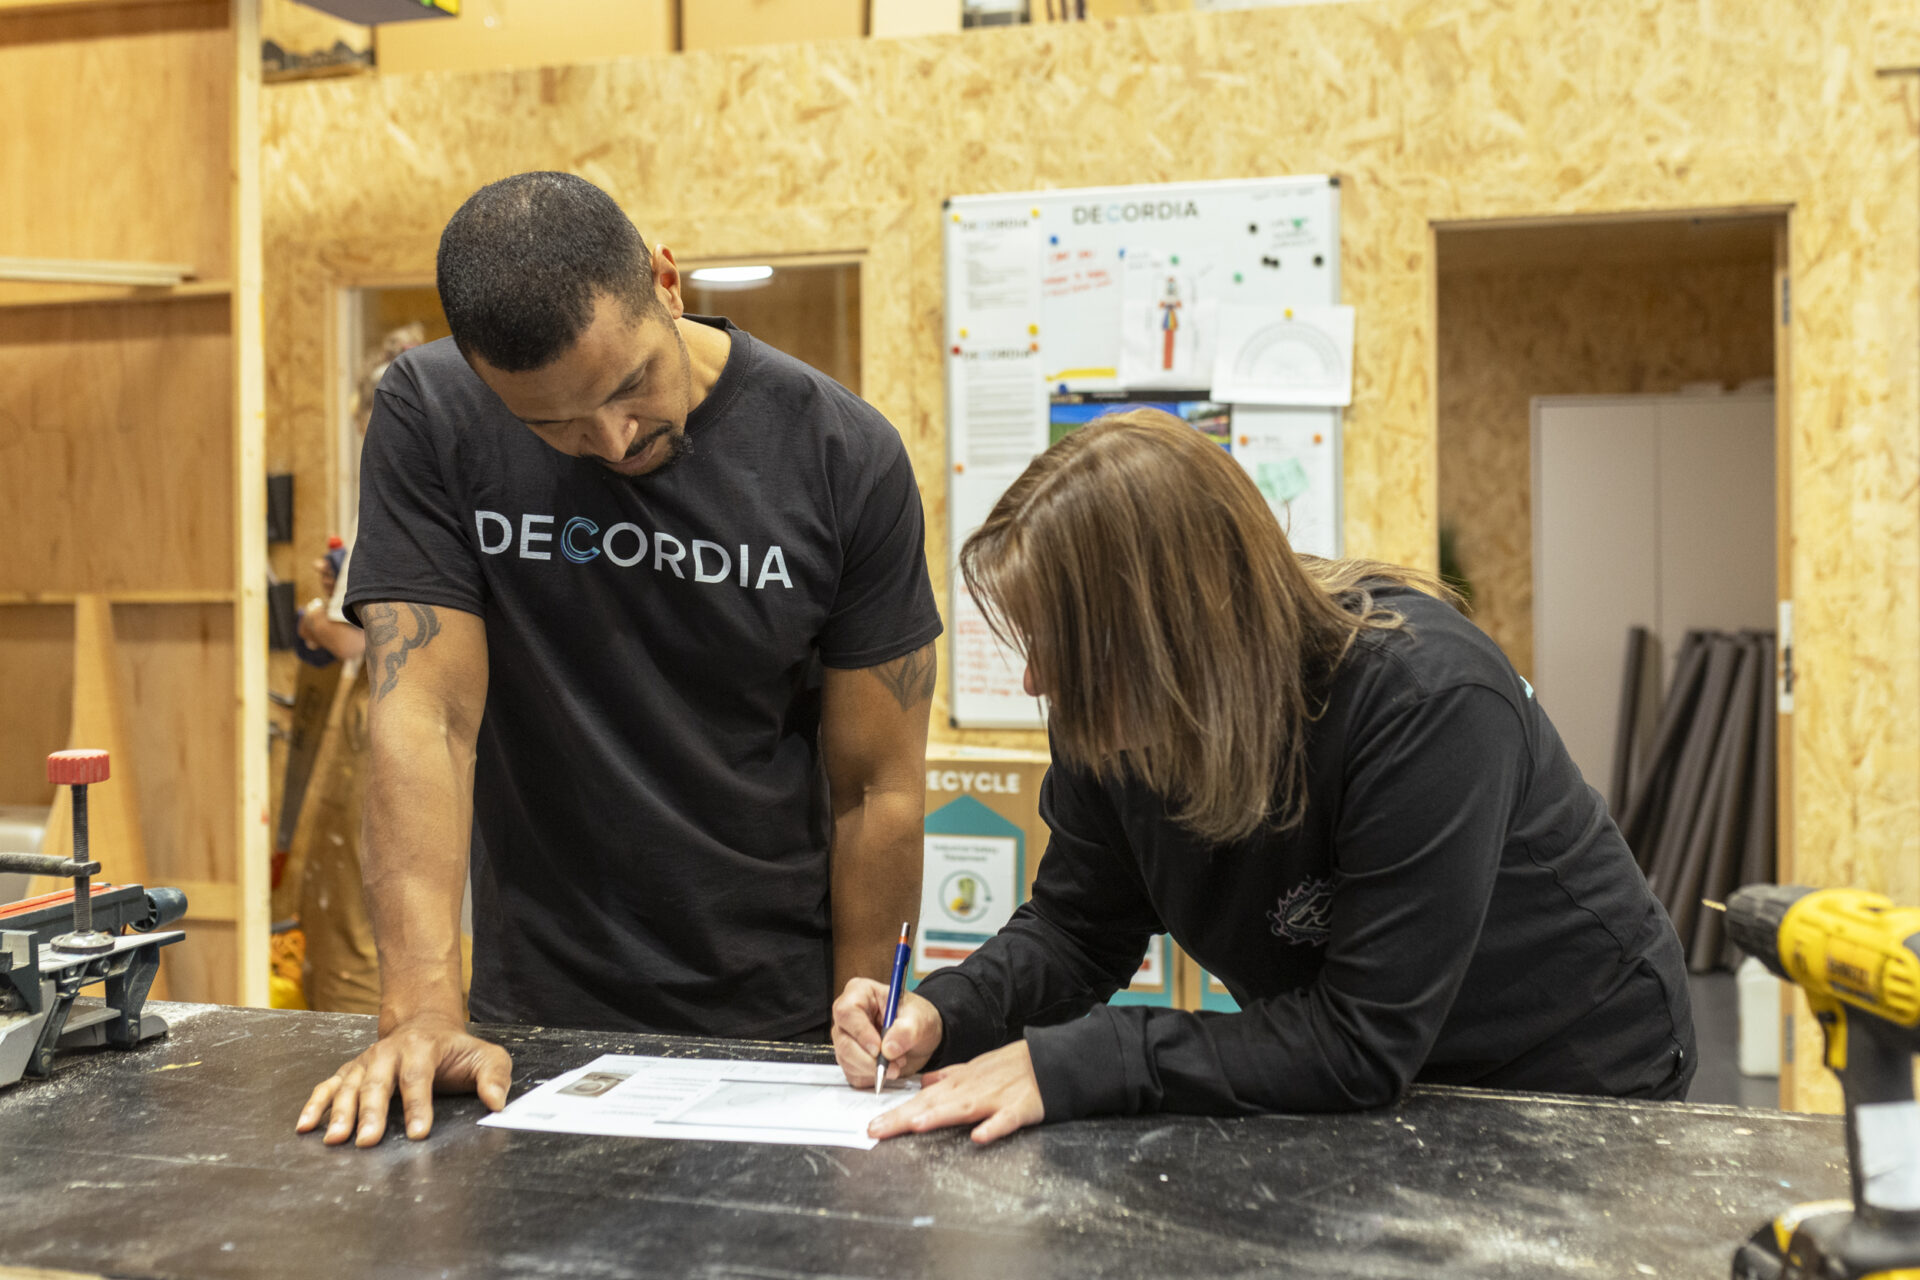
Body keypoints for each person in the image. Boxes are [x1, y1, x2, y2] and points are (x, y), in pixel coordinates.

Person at [832, 409, 1695, 1145]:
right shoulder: (1109, 708)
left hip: (1564, 1067)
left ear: (1173, 629)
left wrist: (1081, 1060)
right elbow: (1078, 928)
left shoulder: (1426, 699)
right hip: (1362, 1067)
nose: (1038, 681)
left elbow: (1360, 1044)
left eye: (1066, 645)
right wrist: (947, 1011)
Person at [296, 172, 942, 1147]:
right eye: (550, 424)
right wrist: (422, 1012)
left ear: (666, 281)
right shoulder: (434, 413)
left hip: (773, 1019)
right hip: (532, 1025)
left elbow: (874, 785)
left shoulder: (840, 453)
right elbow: (427, 714)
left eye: (629, 384)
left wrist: (864, 1036)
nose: (611, 439)